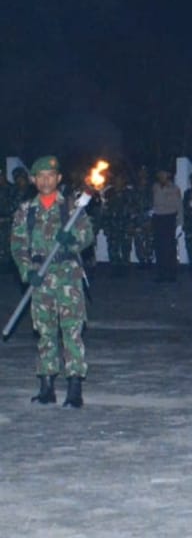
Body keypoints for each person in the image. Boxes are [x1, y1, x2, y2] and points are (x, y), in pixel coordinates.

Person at [10, 156, 95, 408]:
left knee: (71, 330)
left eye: (51, 175)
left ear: (58, 179)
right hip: (40, 278)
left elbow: (87, 234)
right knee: (45, 332)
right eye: (41, 176)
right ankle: (46, 387)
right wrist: (27, 273)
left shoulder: (71, 207)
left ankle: (74, 387)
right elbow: (17, 246)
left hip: (67, 275)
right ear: (34, 180)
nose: (46, 180)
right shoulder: (26, 211)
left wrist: (72, 240)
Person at [151, 167, 184, 283]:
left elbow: (179, 207)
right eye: (160, 174)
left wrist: (180, 223)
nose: (161, 176)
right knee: (159, 247)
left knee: (170, 247)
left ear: (168, 175)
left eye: (164, 174)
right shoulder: (155, 187)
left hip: (169, 218)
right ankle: (161, 273)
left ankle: (171, 274)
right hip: (158, 218)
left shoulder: (175, 189)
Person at [133, 166, 155, 270]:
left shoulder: (152, 189)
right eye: (141, 173)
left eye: (144, 173)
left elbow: (155, 204)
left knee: (150, 240)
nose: (142, 175)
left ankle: (149, 260)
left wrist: (150, 218)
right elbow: (131, 205)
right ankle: (142, 260)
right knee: (139, 241)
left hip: (149, 219)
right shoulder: (135, 190)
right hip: (138, 220)